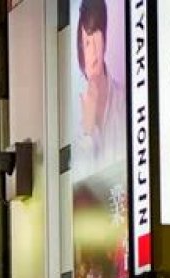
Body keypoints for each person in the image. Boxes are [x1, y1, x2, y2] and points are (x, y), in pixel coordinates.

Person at [74, 0, 125, 171]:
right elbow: (81, 185)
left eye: (97, 38)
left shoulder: (126, 100)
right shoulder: (73, 114)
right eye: (87, 43)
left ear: (105, 38)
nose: (93, 53)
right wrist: (88, 129)